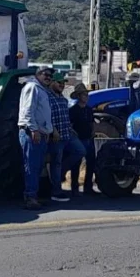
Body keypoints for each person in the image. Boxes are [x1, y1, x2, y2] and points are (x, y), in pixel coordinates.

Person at [18, 66, 55, 210]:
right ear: (38, 74)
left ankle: (34, 195)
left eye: (50, 75)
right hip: (32, 134)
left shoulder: (41, 89)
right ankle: (30, 197)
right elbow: (27, 111)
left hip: (41, 134)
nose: (48, 77)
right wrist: (33, 129)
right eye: (45, 74)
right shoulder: (32, 87)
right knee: (31, 166)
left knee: (37, 167)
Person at [47, 73, 86, 202]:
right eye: (59, 83)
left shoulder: (63, 100)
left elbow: (65, 118)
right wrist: (53, 130)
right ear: (52, 82)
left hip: (67, 133)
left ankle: (62, 172)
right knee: (56, 162)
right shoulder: (48, 98)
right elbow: (47, 117)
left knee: (80, 151)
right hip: (56, 136)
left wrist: (71, 129)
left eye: (63, 83)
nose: (62, 85)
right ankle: (56, 190)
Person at [69, 83, 98, 195]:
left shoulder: (89, 110)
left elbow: (92, 122)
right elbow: (70, 125)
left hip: (89, 139)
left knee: (91, 163)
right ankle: (74, 188)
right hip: (78, 139)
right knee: (76, 164)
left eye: (87, 95)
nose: (86, 97)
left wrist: (93, 131)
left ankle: (88, 187)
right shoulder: (73, 110)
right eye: (84, 95)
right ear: (79, 96)